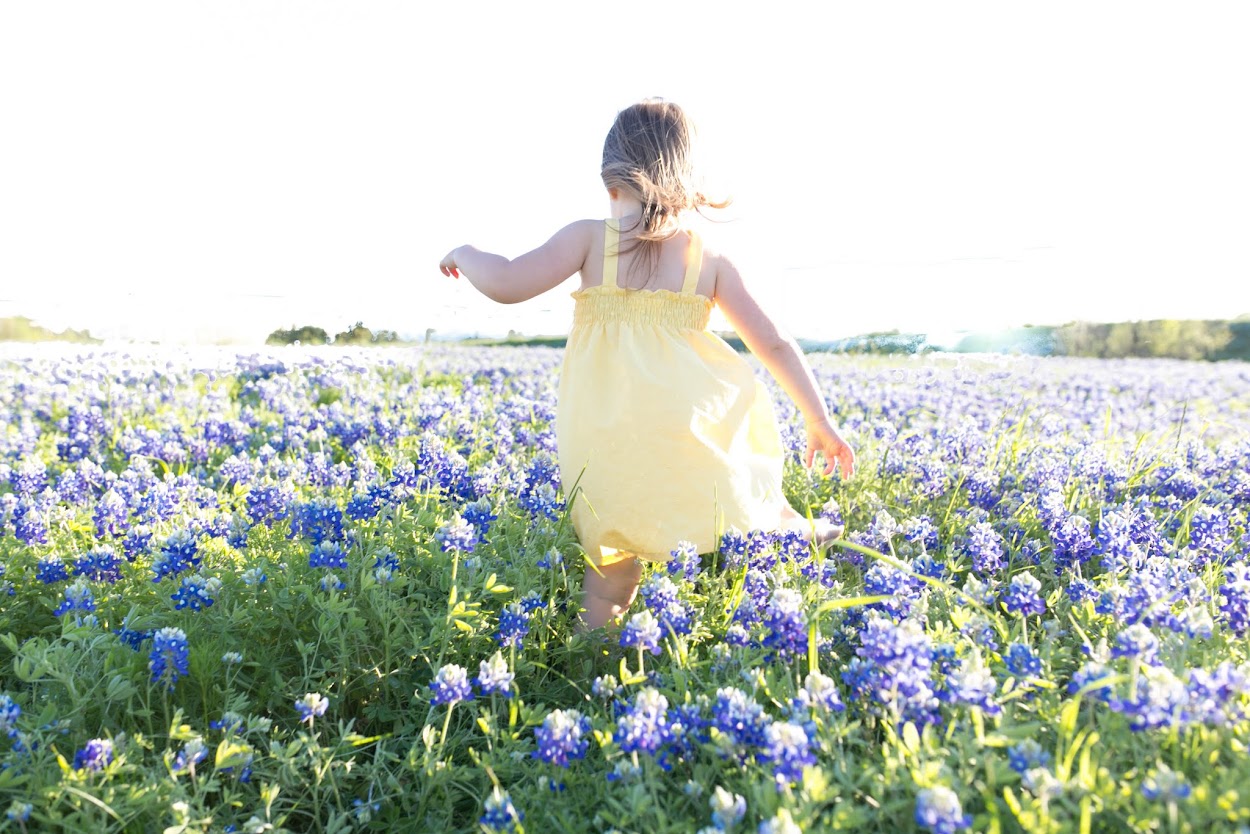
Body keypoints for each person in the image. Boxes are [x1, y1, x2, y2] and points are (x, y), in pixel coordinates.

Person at [439, 99, 855, 631]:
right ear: (689, 178)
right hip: (686, 432)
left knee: (611, 566)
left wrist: (466, 253)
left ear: (609, 176)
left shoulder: (588, 238)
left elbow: (507, 282)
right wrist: (818, 419)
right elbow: (773, 343)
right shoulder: (707, 259)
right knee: (734, 497)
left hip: (604, 439)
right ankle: (790, 530)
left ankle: (593, 662)